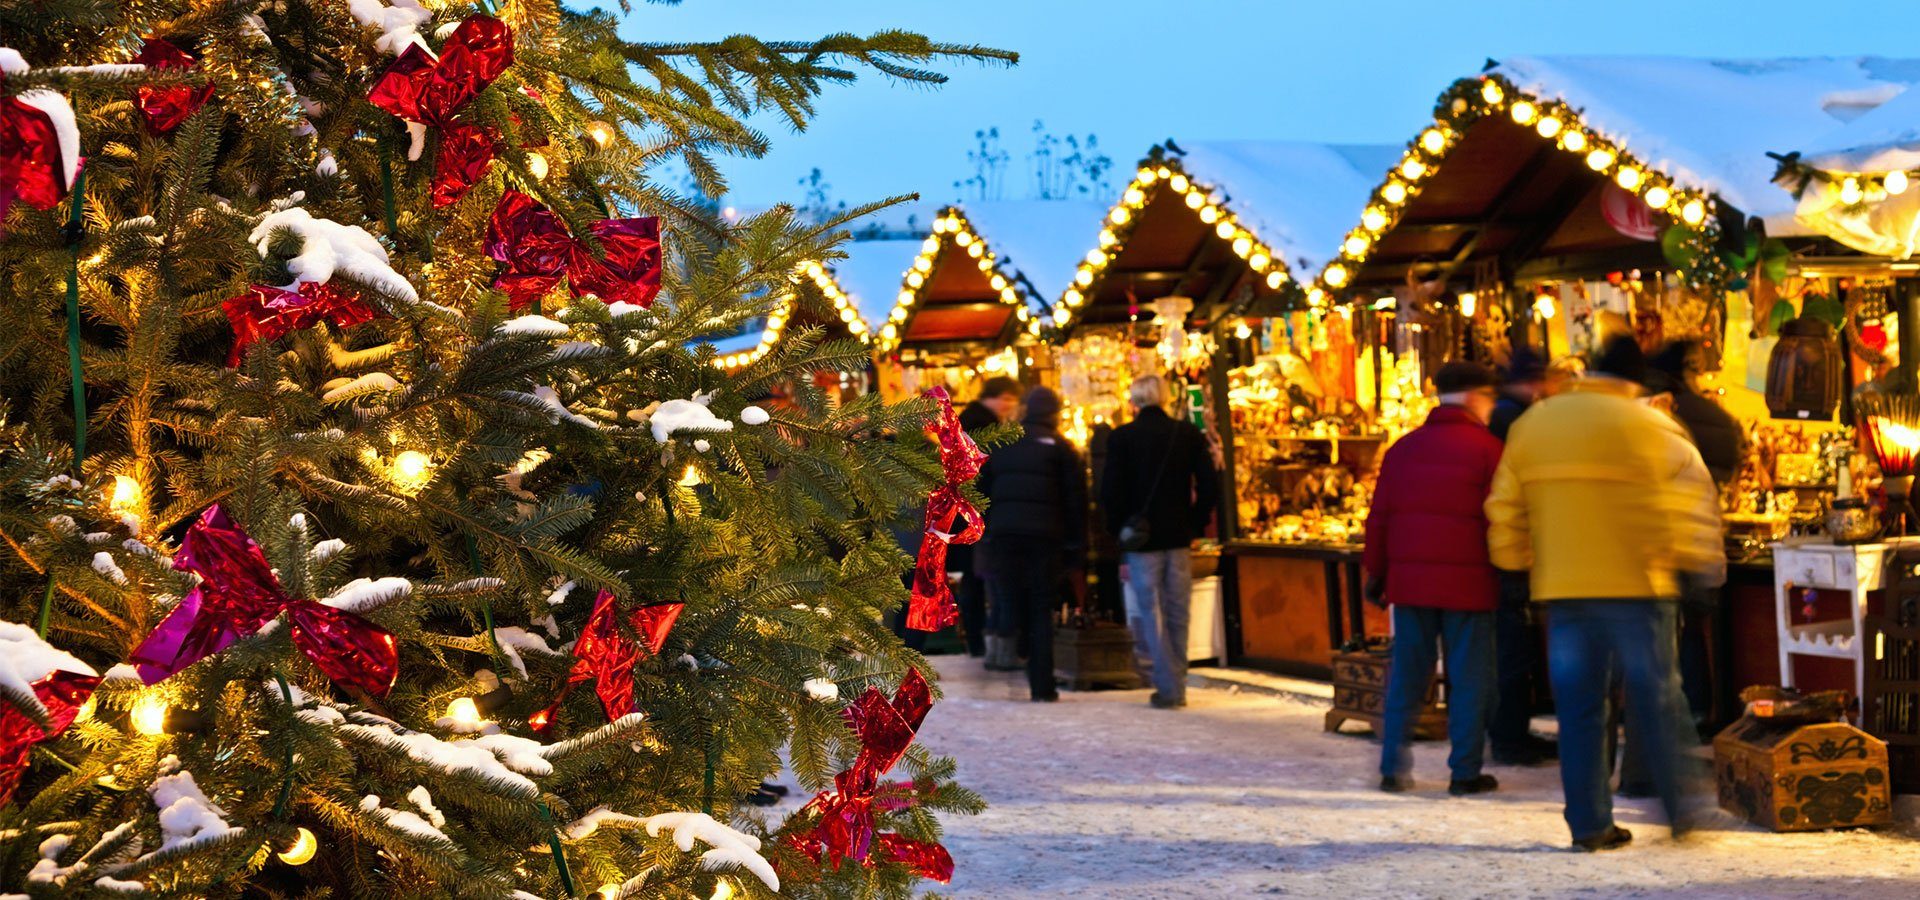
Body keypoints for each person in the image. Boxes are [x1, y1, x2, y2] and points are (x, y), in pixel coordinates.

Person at [1486, 336, 1726, 852]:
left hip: (1565, 591)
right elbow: (1685, 503)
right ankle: (1682, 811)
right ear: (1633, 381)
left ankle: (1591, 824)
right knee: (1658, 699)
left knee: (1579, 711)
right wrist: (1695, 565)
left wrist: (1518, 563)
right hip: (1641, 587)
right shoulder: (1650, 425)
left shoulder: (1535, 424)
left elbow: (1505, 506)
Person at [1365, 361, 1505, 796]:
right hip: (1470, 587)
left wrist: (1377, 574)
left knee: (1407, 676)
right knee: (1469, 680)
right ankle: (1464, 772)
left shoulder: (1401, 450)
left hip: (1411, 588)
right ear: (1477, 397)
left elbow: (1380, 521)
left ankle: (1392, 766)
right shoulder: (1489, 451)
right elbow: (1499, 522)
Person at [1101, 375, 1218, 709]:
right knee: (1179, 610)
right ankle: (1177, 683)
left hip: (1141, 540)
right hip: (1179, 536)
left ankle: (1167, 686)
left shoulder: (1122, 437)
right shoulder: (1186, 434)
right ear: (1165, 397)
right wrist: (1195, 521)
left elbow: (1111, 491)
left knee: (1151, 612)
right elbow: (1209, 484)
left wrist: (1119, 531)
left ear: (1134, 399)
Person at [978, 387, 1086, 702]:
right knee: (1041, 604)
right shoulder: (1063, 449)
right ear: (1055, 413)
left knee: (1013, 598)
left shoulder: (1005, 444)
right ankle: (1042, 683)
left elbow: (983, 488)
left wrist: (988, 529)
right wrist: (1076, 546)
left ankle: (1019, 642)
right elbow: (1075, 500)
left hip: (1006, 535)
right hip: (1045, 538)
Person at [1486, 348, 1559, 767]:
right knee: (1514, 652)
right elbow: (1514, 498)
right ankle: (1510, 739)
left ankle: (1510, 734)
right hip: (1514, 557)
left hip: (1508, 554)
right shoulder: (1517, 421)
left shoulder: (1505, 416)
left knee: (1512, 651)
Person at [957, 377, 1021, 665]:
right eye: (1006, 399)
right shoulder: (984, 424)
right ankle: (984, 640)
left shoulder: (969, 418)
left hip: (968, 506)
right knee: (983, 575)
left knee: (976, 575)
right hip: (982, 509)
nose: (1009, 406)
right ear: (992, 397)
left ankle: (978, 640)